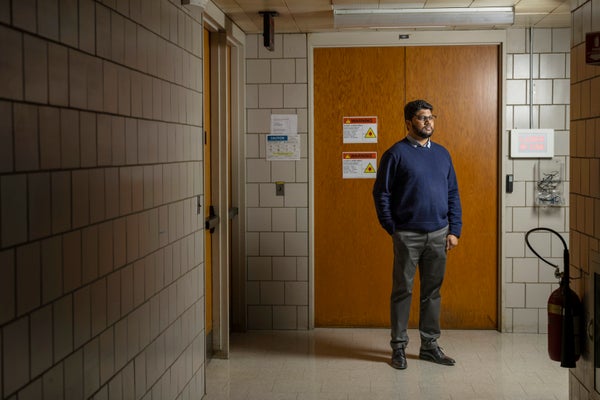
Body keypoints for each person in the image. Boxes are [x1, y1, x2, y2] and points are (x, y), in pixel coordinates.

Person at [372, 99, 462, 370]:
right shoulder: (395, 154)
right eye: (422, 118)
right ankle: (398, 347)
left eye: (431, 117)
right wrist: (393, 227)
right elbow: (381, 194)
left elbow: (452, 194)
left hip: (439, 233)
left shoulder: (443, 154)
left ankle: (429, 346)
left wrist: (454, 230)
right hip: (407, 235)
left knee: (432, 293)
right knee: (403, 290)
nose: (428, 122)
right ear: (409, 122)